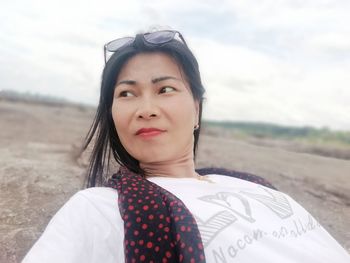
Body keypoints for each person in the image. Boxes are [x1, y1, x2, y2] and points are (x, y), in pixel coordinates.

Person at [23, 29, 350, 263]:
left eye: (164, 89)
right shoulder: (97, 210)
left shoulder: (255, 186)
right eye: (126, 93)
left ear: (196, 108)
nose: (146, 108)